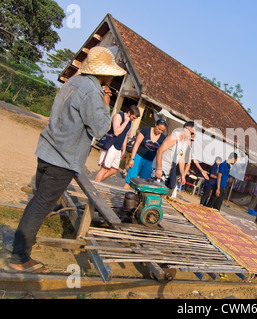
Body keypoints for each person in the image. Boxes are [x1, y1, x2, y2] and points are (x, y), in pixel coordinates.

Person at [6, 46, 126, 273]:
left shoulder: (73, 81)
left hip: (47, 149)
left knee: (37, 202)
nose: (112, 77)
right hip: (63, 158)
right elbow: (100, 128)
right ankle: (20, 257)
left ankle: (22, 246)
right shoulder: (93, 92)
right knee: (41, 205)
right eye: (111, 73)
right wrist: (106, 103)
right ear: (104, 72)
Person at [95, 105, 140, 182]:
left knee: (113, 170)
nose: (134, 120)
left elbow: (125, 134)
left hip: (118, 147)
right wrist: (125, 122)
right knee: (104, 169)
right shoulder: (118, 116)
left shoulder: (129, 122)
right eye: (133, 117)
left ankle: (97, 182)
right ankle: (94, 185)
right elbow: (116, 132)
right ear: (129, 113)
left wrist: (124, 148)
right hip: (111, 145)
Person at [153, 121, 195, 195]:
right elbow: (159, 151)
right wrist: (159, 169)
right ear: (186, 129)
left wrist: (182, 175)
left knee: (163, 195)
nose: (192, 136)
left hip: (169, 173)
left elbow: (181, 160)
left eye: (194, 134)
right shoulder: (173, 137)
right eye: (192, 133)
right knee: (154, 194)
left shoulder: (185, 143)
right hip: (160, 170)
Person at [123, 119, 167, 189]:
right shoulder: (146, 130)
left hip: (150, 162)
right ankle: (123, 195)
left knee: (143, 183)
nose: (160, 132)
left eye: (162, 130)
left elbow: (161, 152)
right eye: (159, 129)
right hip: (138, 157)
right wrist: (132, 158)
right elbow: (137, 143)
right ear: (155, 124)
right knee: (130, 180)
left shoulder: (163, 138)